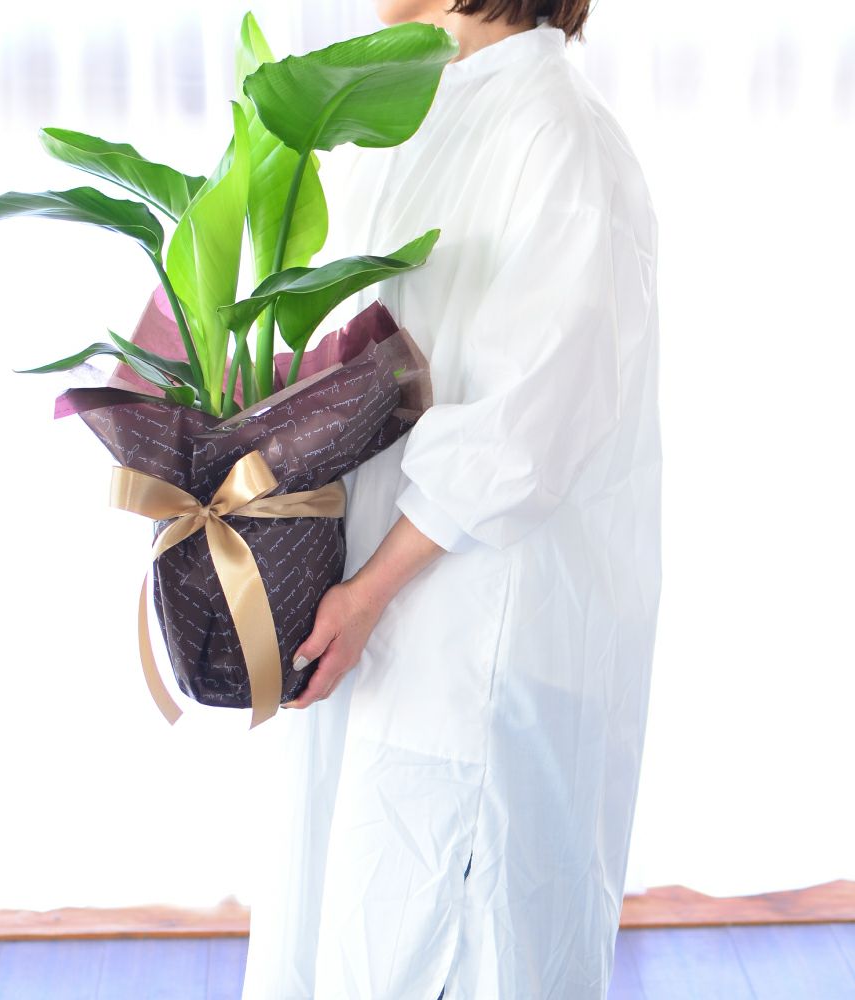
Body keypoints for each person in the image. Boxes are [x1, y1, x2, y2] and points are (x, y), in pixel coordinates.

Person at [241, 1, 661, 997]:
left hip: (477, 635)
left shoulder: (555, 136)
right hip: (393, 614)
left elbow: (526, 429)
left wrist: (368, 591)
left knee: (451, 936)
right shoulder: (431, 114)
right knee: (362, 922)